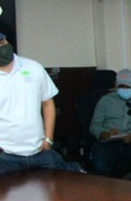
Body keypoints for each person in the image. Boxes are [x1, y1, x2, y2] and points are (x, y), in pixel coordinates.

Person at [0, 31, 80, 175]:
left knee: (68, 181)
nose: (2, 47)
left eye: (2, 42)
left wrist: (48, 139)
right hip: (5, 156)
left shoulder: (33, 68)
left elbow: (48, 103)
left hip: (40, 151)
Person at [89, 68, 131, 182]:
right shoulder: (105, 101)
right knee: (100, 167)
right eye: (121, 86)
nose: (124, 89)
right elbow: (94, 125)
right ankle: (107, 192)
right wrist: (103, 133)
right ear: (116, 85)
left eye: (128, 87)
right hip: (109, 142)